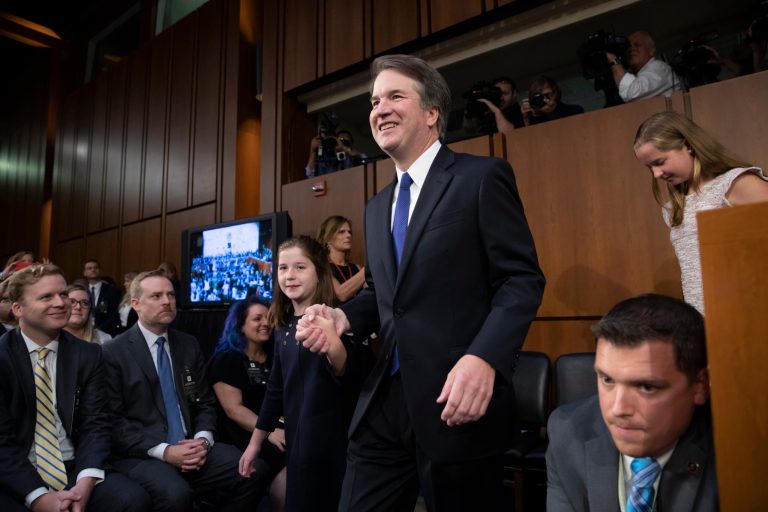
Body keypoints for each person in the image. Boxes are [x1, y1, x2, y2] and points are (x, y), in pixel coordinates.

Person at [298, 54, 545, 511]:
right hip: (384, 405)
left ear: (432, 112)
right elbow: (383, 295)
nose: (379, 108)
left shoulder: (480, 178)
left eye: (395, 96)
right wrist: (340, 317)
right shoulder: (375, 208)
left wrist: (485, 357)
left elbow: (521, 280)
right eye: (374, 100)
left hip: (457, 401)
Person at [102, 270, 266, 512]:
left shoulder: (188, 344)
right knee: (176, 494)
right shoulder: (113, 352)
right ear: (135, 304)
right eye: (156, 296)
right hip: (143, 452)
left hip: (193, 444)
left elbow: (204, 403)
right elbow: (114, 422)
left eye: (170, 295)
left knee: (255, 470)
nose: (167, 301)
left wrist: (202, 440)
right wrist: (167, 451)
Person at [0, 264, 151, 512]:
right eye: (46, 297)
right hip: (18, 470)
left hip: (75, 465)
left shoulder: (88, 355)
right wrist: (39, 498)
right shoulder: (3, 357)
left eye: (63, 294)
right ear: (18, 309)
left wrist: (85, 484)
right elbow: (2, 444)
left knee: (132, 500)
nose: (61, 303)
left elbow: (96, 424)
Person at [546, 293, 718, 511]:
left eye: (646, 387)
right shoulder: (568, 433)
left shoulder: (740, 452)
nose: (618, 409)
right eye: (607, 379)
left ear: (699, 385)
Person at [239, 236, 360, 512]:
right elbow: (275, 390)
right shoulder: (282, 326)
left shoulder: (338, 320)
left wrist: (333, 342)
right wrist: (255, 444)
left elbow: (348, 375)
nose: (289, 275)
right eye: (283, 268)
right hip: (298, 445)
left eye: (300, 267)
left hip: (336, 445)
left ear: (319, 272)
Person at [633, 111, 768, 314]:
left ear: (687, 145)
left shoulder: (736, 184)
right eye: (649, 167)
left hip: (746, 320)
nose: (656, 174)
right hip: (701, 322)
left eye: (659, 162)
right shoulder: (672, 208)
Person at [207, 295, 286, 511]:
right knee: (286, 455)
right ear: (239, 325)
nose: (265, 323)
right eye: (257, 319)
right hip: (241, 432)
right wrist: (269, 433)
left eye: (269, 318)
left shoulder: (273, 358)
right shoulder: (227, 359)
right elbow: (234, 410)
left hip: (272, 426)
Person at [607, 31, 679, 102]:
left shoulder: (660, 67)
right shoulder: (635, 74)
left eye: (637, 45)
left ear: (651, 50)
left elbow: (633, 93)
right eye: (628, 46)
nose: (631, 49)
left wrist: (613, 60)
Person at [317, 215, 366, 303]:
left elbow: (369, 295)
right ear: (328, 238)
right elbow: (341, 294)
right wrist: (369, 268)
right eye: (341, 232)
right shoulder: (322, 267)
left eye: (349, 232)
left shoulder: (357, 267)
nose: (348, 235)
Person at [83, 259, 121, 336]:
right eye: (89, 268)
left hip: (105, 332)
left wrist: (98, 330)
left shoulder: (112, 291)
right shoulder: (82, 291)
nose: (93, 270)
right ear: (85, 273)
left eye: (95, 267)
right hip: (84, 332)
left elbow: (114, 314)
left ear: (100, 271)